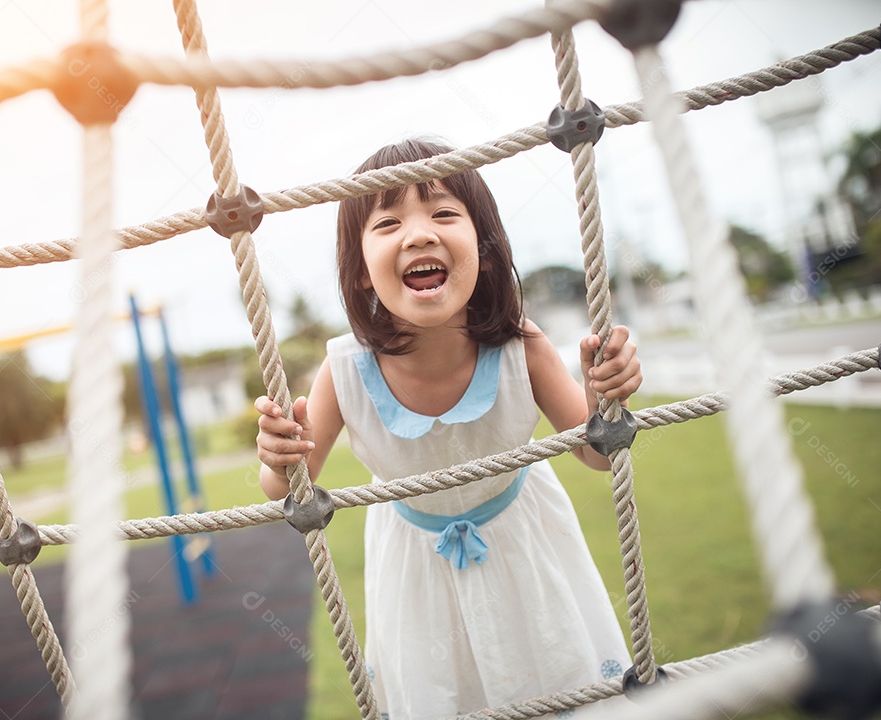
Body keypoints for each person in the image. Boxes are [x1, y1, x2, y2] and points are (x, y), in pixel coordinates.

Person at [255, 137, 642, 719]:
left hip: (526, 552)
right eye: (388, 223)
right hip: (415, 573)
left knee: (559, 686)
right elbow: (292, 489)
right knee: (440, 700)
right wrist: (276, 458)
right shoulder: (343, 371)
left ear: (483, 251)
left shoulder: (522, 347)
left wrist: (602, 397)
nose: (418, 234)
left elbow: (597, 452)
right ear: (360, 271)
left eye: (443, 213)